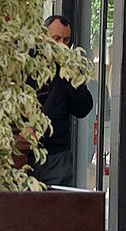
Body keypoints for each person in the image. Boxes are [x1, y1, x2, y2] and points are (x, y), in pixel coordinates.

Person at [33, 15, 95, 187]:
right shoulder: (30, 64)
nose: (62, 44)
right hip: (29, 151)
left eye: (66, 40)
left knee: (57, 209)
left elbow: (82, 108)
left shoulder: (71, 67)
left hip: (57, 153)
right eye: (56, 39)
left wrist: (69, 73)